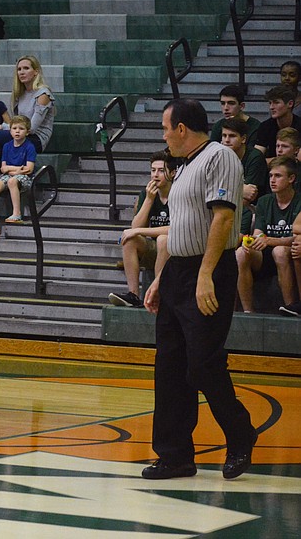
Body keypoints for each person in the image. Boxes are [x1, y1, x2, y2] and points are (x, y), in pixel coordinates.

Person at [142, 98, 257, 481]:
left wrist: (205, 274)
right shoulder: (185, 166)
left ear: (181, 128)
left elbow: (223, 217)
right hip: (179, 270)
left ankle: (241, 434)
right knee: (169, 366)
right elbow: (184, 226)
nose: (163, 135)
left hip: (210, 270)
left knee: (203, 364)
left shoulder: (219, 157)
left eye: (164, 128)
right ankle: (175, 456)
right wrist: (162, 278)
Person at [108, 150, 173, 308]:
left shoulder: (179, 192)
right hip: (155, 247)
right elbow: (135, 228)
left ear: (172, 173)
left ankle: (159, 294)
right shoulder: (147, 193)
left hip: (177, 248)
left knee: (164, 240)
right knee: (130, 239)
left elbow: (176, 229)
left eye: (161, 170)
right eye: (153, 170)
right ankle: (133, 295)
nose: (155, 175)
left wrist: (138, 231)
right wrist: (149, 200)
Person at [236, 156, 301, 314]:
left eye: (278, 176)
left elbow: (297, 238)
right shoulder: (265, 201)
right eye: (271, 175)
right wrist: (252, 242)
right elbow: (259, 233)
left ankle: (290, 307)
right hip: (266, 255)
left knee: (279, 251)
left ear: (291, 178)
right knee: (241, 253)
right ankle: (248, 312)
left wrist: (270, 240)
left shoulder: (299, 201)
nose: (272, 180)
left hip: (288, 255)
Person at [0, 115, 36, 224]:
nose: (17, 131)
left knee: (12, 181)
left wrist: (12, 170)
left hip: (25, 178)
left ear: (27, 132)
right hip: (10, 174)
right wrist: (17, 169)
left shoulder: (30, 147)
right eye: (14, 128)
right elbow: (3, 168)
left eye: (21, 129)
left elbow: (29, 169)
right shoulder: (6, 146)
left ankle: (17, 213)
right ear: (10, 131)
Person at [220, 117, 269, 237]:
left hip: (253, 209)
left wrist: (222, 193)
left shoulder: (255, 157)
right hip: (226, 205)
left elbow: (249, 197)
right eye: (224, 135)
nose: (226, 140)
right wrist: (240, 190)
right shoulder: (219, 156)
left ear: (243, 139)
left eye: (232, 136)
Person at [255, 85, 301, 160]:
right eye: (270, 103)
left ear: (290, 104)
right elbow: (256, 158)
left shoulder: (299, 125)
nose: (271, 107)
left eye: (276, 102)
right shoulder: (265, 126)